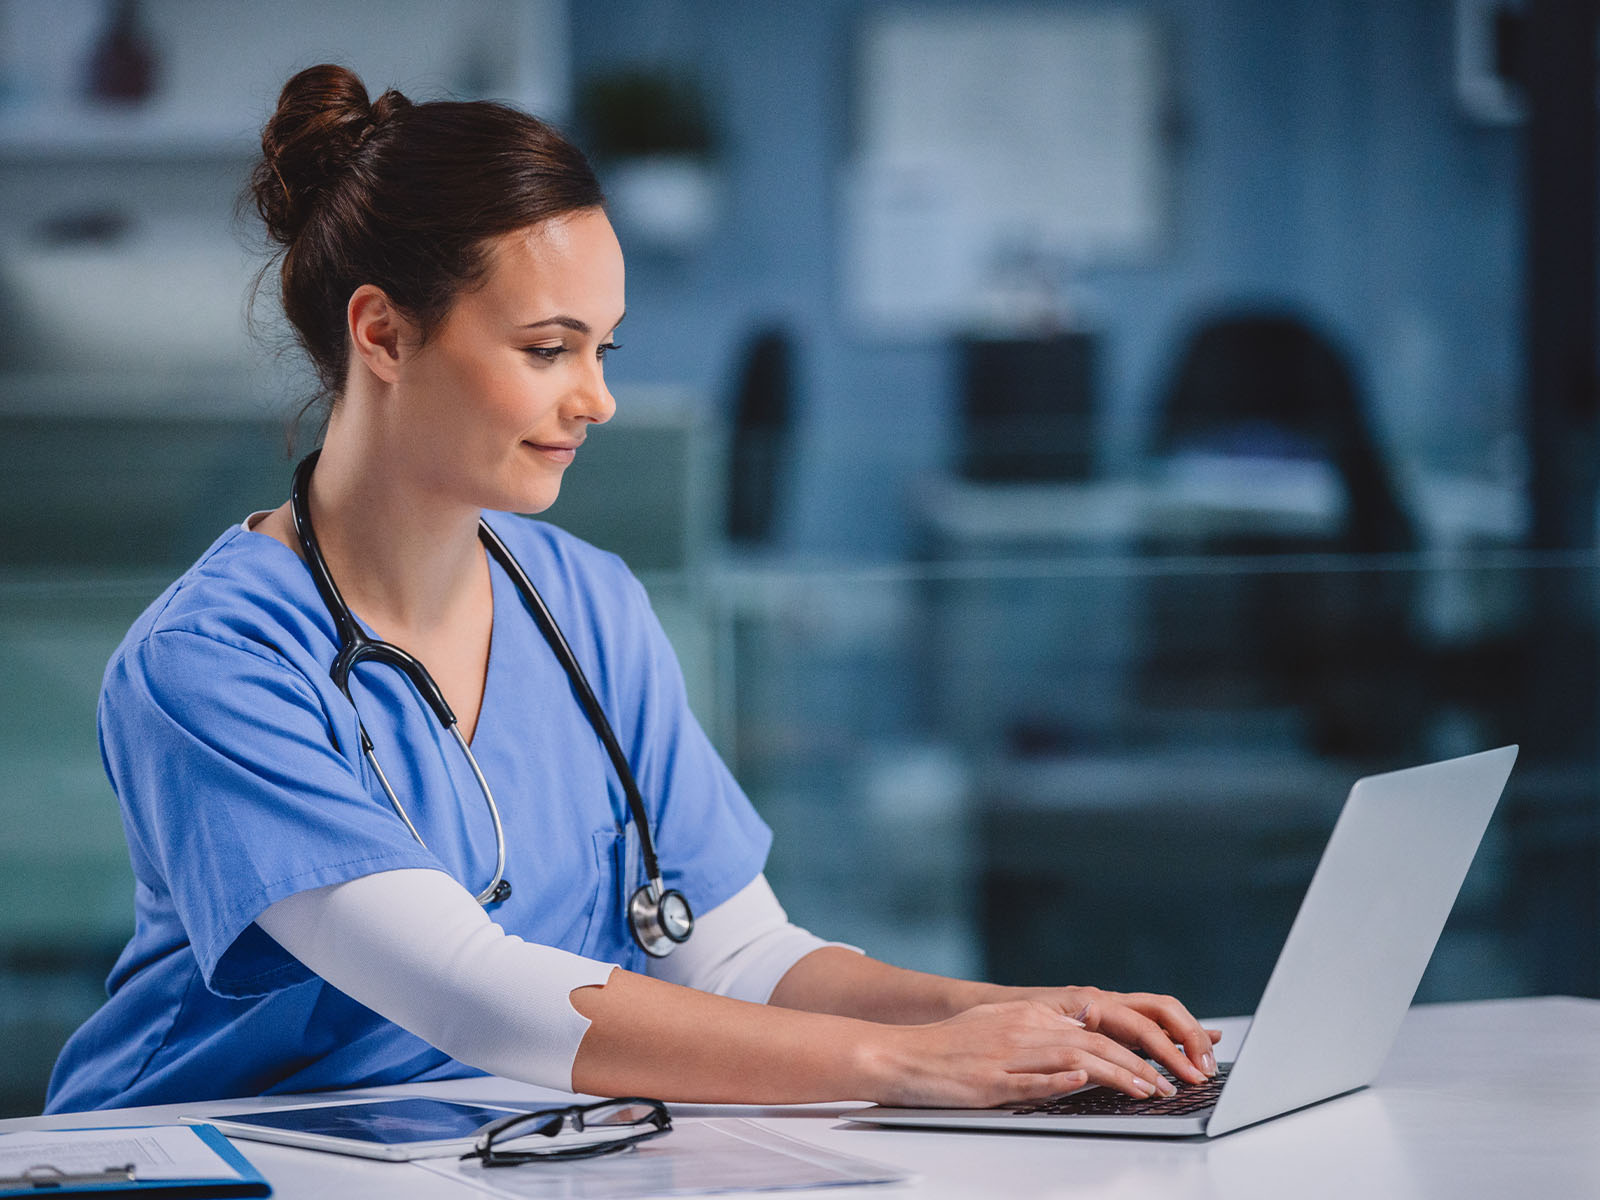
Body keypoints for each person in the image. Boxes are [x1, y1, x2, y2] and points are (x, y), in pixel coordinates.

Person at [46, 64, 1219, 1114]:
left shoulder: (587, 603)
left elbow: (734, 955)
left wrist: (1020, 1016)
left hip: (479, 1143)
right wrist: (905, 1068)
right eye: (548, 349)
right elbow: (475, 995)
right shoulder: (215, 662)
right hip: (210, 1151)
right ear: (385, 335)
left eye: (603, 351)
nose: (595, 400)